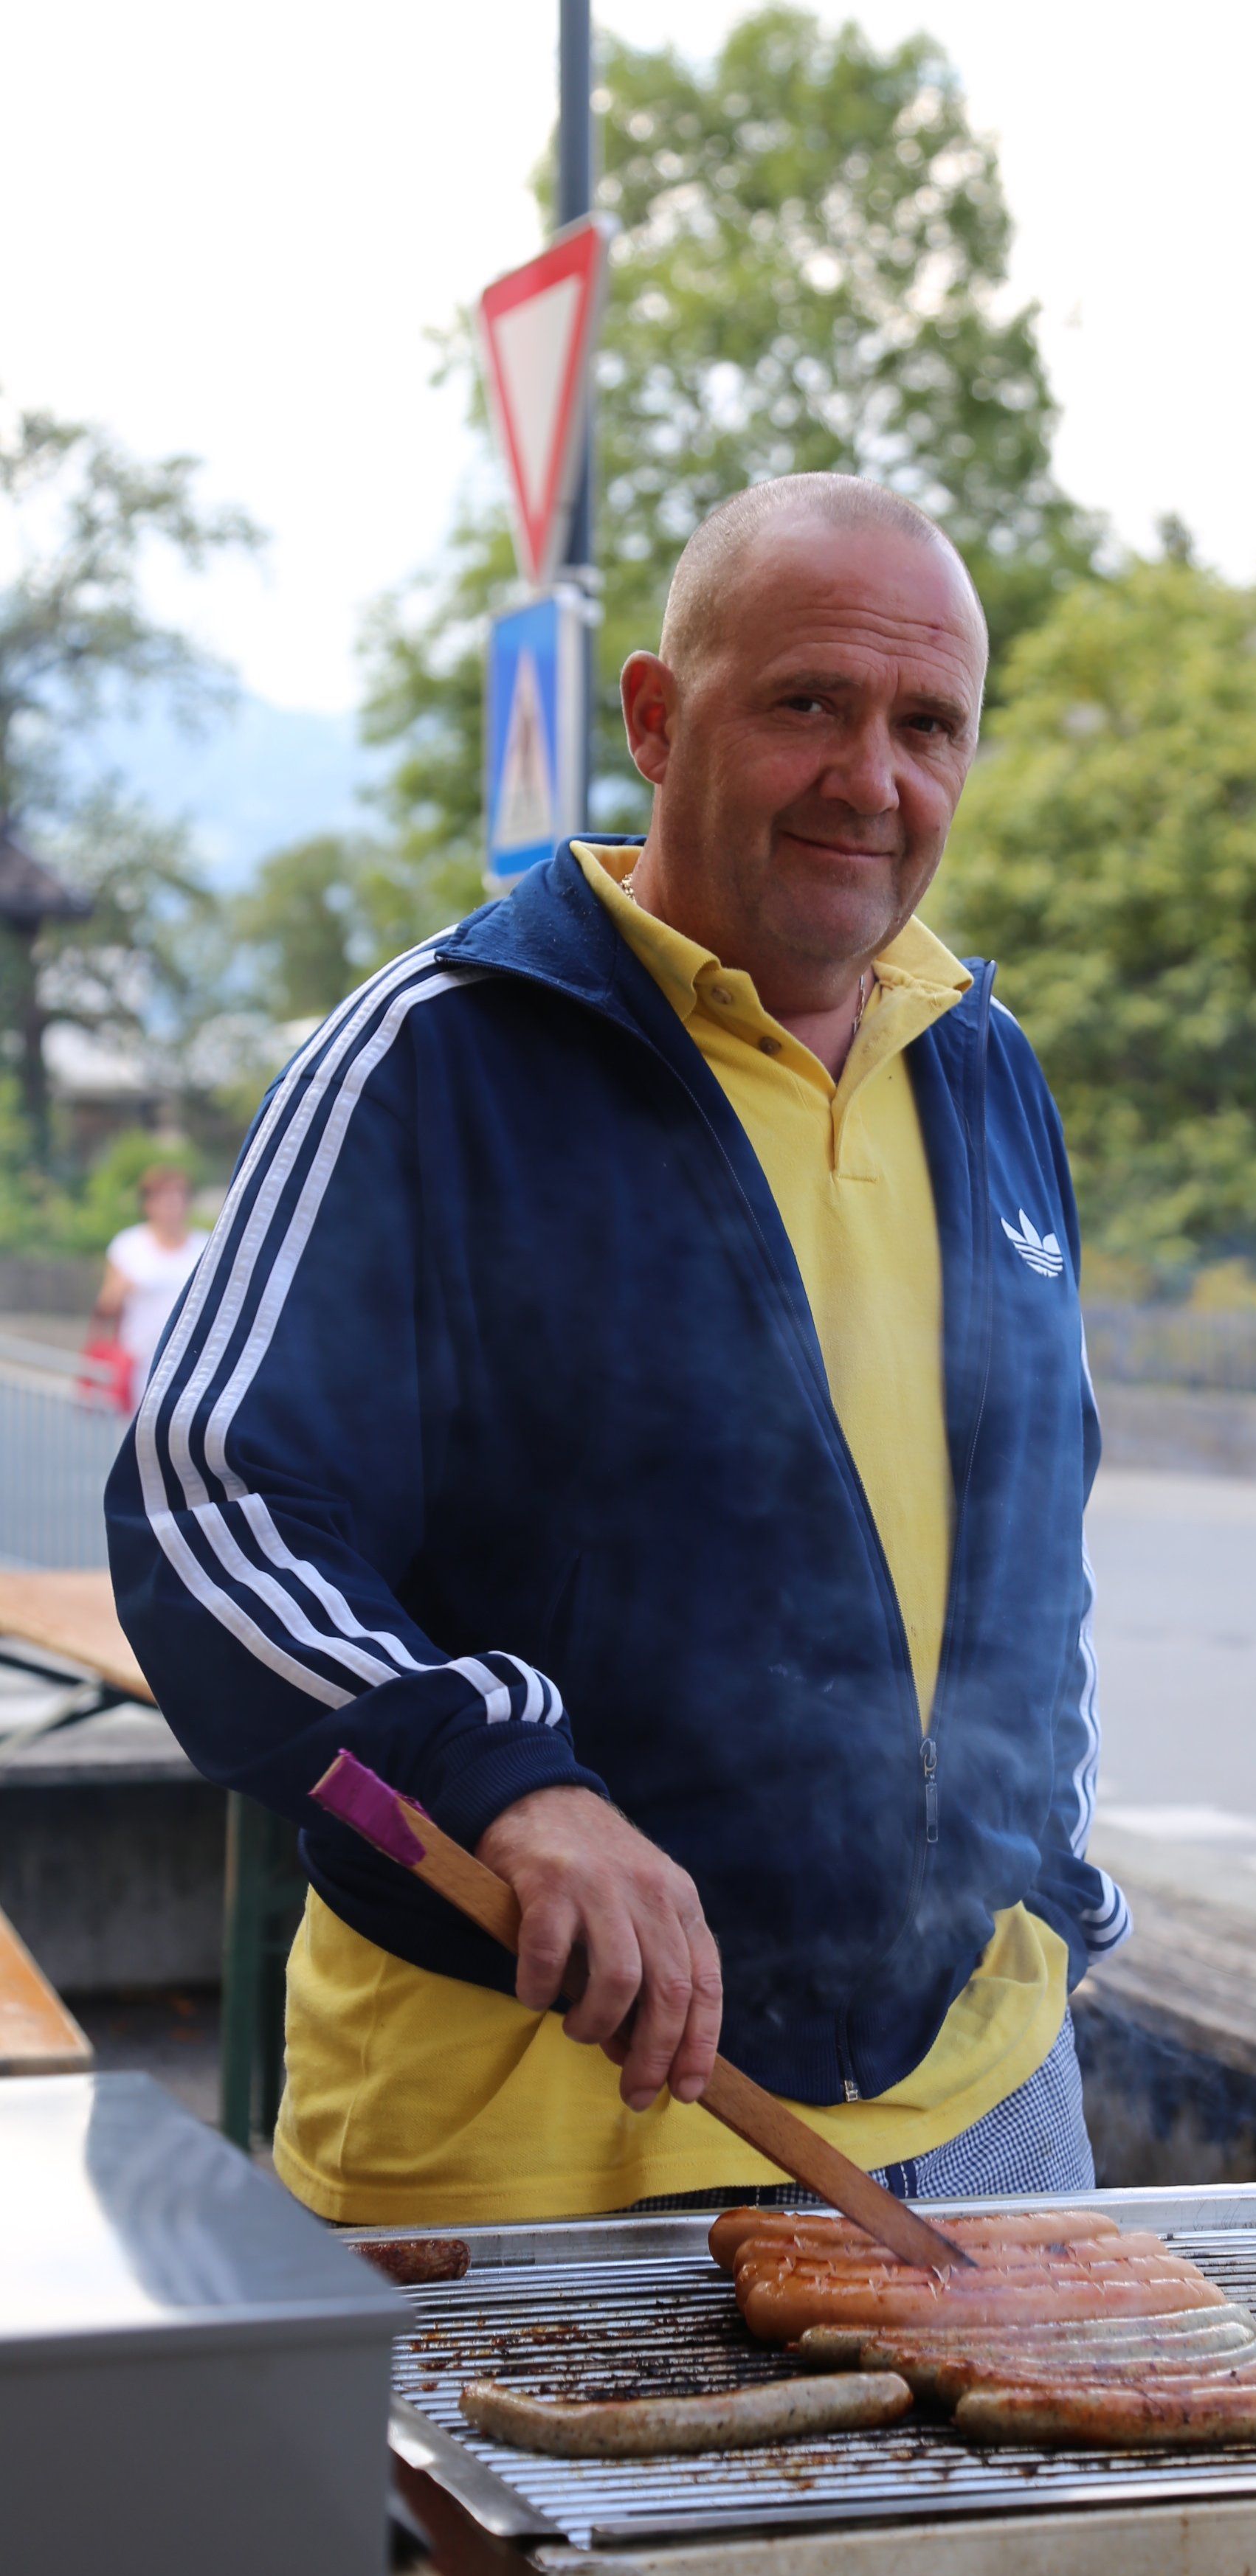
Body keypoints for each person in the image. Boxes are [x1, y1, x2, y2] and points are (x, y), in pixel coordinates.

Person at [106, 474, 1131, 2226]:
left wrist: (1046, 1857)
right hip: (535, 2123)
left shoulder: (984, 1064)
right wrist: (503, 1782)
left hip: (988, 2101)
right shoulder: (439, 1059)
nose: (870, 779)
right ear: (655, 721)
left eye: (926, 725)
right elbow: (213, 1505)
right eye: (807, 703)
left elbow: (1038, 1530)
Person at [94, 1164, 207, 1408]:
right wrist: (120, 1290)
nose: (171, 1206)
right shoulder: (129, 1245)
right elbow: (106, 1304)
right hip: (142, 1359)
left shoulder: (205, 1246)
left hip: (191, 1359)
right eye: (164, 1199)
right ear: (148, 1205)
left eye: (178, 1198)